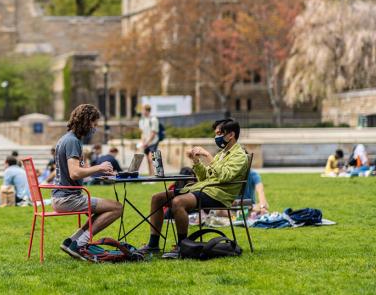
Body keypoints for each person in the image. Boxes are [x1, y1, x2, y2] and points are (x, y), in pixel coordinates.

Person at [142, 118, 248, 259]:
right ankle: (153, 244)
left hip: (219, 195)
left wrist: (208, 156)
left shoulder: (240, 155)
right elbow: (205, 178)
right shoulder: (222, 154)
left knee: (178, 202)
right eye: (215, 134)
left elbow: (224, 177)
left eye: (219, 133)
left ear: (230, 135)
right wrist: (196, 160)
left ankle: (182, 247)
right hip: (205, 189)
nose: (216, 137)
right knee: (157, 198)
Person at [53, 104, 123, 260]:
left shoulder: (67, 139)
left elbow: (77, 171)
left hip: (63, 196)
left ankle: (71, 241)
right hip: (68, 198)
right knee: (117, 207)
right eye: (94, 124)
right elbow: (75, 172)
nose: (94, 128)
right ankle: (80, 245)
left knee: (102, 209)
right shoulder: (73, 141)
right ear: (86, 121)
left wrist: (99, 170)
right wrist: (99, 167)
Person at [137, 104, 160, 176]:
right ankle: (150, 176)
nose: (142, 111)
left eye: (143, 110)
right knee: (148, 160)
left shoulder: (153, 119)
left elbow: (153, 133)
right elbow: (142, 133)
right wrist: (142, 142)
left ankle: (154, 176)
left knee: (151, 158)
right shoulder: (142, 120)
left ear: (147, 111)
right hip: (146, 143)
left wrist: (147, 142)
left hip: (153, 142)